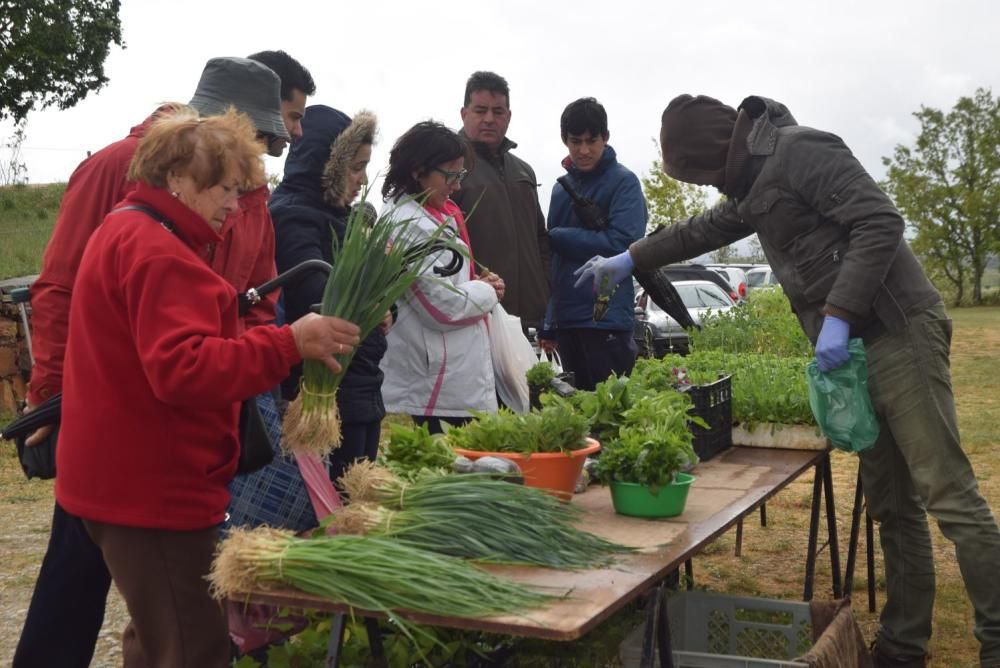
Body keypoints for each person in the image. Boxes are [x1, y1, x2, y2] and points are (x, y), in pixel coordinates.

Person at [576, 94, 1000, 668]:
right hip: (852, 348)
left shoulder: (801, 151)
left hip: (898, 328)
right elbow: (699, 231)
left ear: (713, 154)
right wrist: (631, 257)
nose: (707, 186)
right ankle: (902, 648)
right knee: (892, 505)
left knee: (948, 495)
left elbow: (879, 221)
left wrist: (840, 314)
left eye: (698, 173)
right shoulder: (750, 186)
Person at [14, 54, 312, 667]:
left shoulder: (240, 192)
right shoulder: (117, 177)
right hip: (114, 413)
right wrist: (48, 395)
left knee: (161, 606)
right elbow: (60, 288)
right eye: (256, 137)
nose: (247, 184)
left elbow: (258, 294)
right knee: (80, 582)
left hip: (183, 421)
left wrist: (246, 359)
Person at [53, 108, 358, 667]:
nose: (234, 205)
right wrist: (288, 344)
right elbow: (183, 370)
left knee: (157, 635)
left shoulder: (125, 228)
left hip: (118, 483)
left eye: (241, 191)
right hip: (151, 492)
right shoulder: (160, 253)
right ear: (178, 179)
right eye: (225, 188)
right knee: (194, 647)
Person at [270, 105, 389, 485]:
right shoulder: (291, 215)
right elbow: (318, 297)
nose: (361, 179)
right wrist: (370, 302)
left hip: (360, 386)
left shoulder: (344, 217)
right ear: (328, 165)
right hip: (326, 391)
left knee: (357, 496)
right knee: (335, 506)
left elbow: (378, 298)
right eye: (355, 167)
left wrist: (386, 309)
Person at [378, 121, 503, 434]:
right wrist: (487, 293)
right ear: (418, 170)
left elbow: (452, 282)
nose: (457, 186)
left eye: (460, 175)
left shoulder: (434, 213)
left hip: (447, 380)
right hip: (432, 388)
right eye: (451, 175)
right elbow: (442, 307)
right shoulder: (406, 224)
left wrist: (480, 285)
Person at [540, 97, 646, 391]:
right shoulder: (560, 189)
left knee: (612, 411)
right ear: (565, 140)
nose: (584, 150)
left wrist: (559, 237)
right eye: (576, 141)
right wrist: (550, 321)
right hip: (567, 320)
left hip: (606, 318)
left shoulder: (624, 182)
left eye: (592, 141)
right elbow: (554, 262)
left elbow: (624, 243)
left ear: (606, 138)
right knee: (577, 415)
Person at [451, 71, 551, 332]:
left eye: (498, 111)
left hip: (531, 318)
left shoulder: (524, 171)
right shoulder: (447, 170)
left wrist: (547, 295)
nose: (489, 119)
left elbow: (540, 239)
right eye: (480, 110)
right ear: (464, 114)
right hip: (477, 315)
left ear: (508, 116)